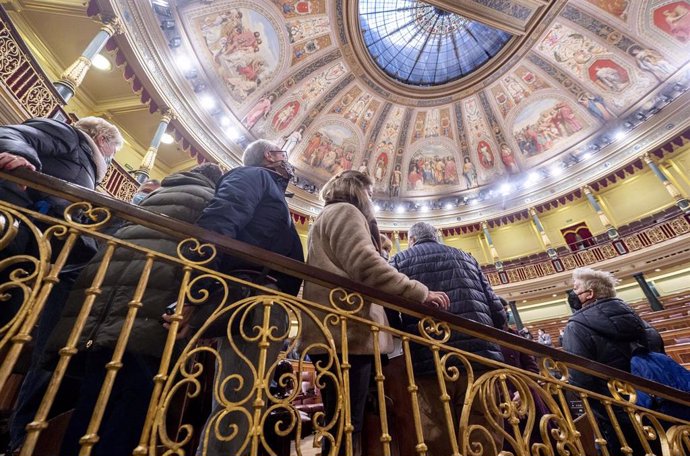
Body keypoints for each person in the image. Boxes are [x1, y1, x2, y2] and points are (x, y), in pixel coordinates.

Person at [39, 163, 223, 456]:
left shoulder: (152, 196)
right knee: (132, 406)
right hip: (151, 309)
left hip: (102, 304)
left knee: (91, 402)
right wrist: (197, 304)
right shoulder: (212, 201)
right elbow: (209, 253)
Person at [299, 171, 449, 456]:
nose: (371, 200)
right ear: (357, 191)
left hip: (337, 332)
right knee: (346, 425)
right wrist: (420, 292)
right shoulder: (345, 211)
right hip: (346, 334)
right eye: (369, 193)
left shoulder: (328, 215)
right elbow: (366, 266)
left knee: (345, 422)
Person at [1, 116, 123, 455]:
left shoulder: (84, 164)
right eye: (112, 153)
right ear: (101, 139)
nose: (112, 162)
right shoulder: (72, 137)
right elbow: (13, 133)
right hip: (16, 232)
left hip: (36, 251)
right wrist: (19, 157)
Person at [179, 139, 305, 456]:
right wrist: (196, 284)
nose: (288, 161)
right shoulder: (253, 176)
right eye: (284, 153)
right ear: (270, 156)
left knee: (245, 399)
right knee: (237, 400)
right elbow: (220, 221)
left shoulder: (270, 188)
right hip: (250, 297)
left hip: (261, 297)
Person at [390, 221, 506, 456]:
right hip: (479, 356)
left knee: (436, 431)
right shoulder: (467, 257)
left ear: (411, 240)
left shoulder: (400, 260)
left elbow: (390, 310)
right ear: (437, 237)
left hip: (429, 357)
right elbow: (497, 310)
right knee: (484, 428)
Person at [562, 267, 648, 456]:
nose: (572, 293)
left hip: (611, 411)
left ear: (589, 294)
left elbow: (580, 378)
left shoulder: (576, 326)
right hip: (648, 404)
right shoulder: (634, 316)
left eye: (575, 288)